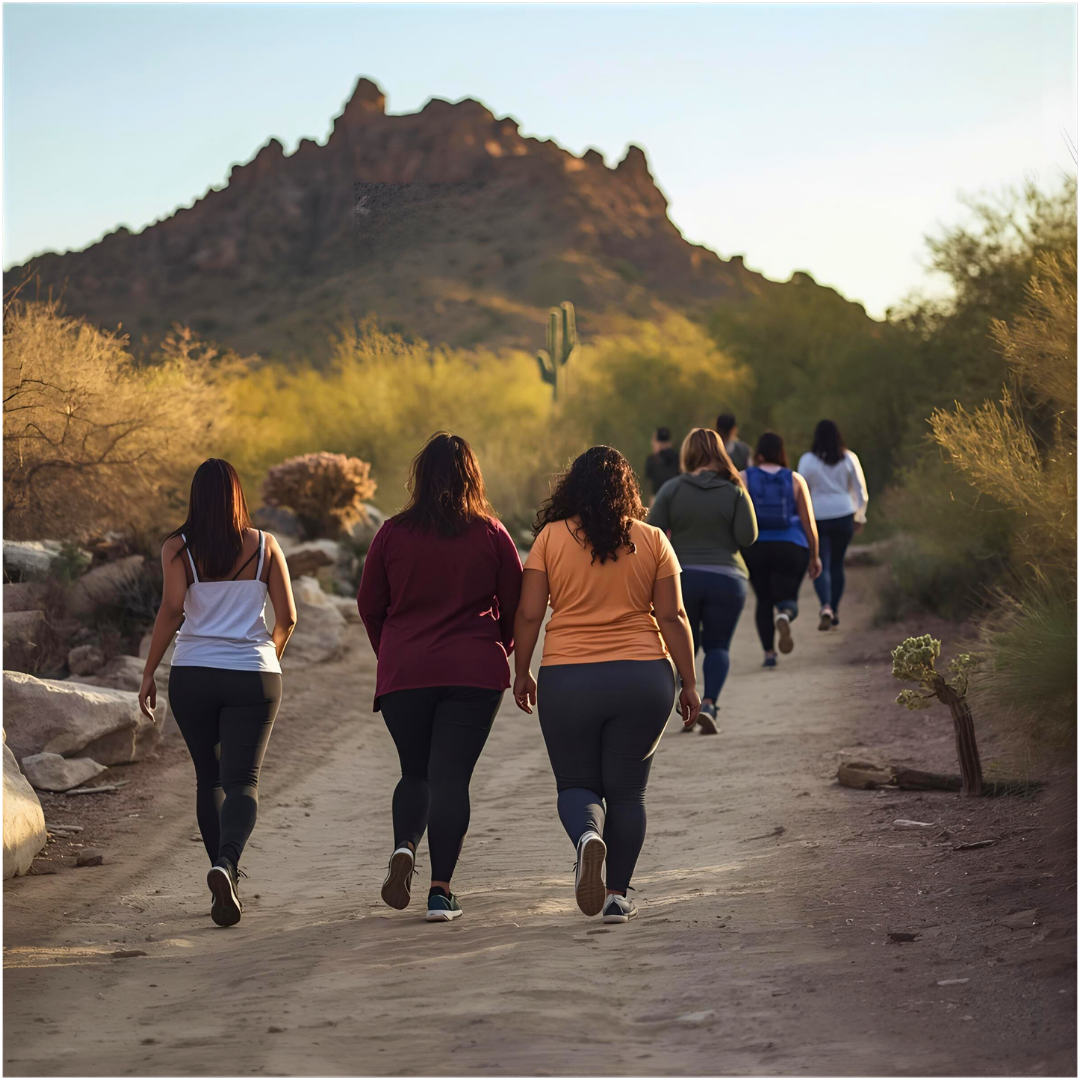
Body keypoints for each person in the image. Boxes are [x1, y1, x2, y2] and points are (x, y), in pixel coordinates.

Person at [512, 446, 700, 925]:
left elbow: (530, 612)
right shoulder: (653, 538)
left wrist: (521, 670)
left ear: (573, 486)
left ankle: (586, 839)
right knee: (628, 792)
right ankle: (616, 896)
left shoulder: (551, 538)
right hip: (642, 678)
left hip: (569, 678)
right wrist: (690, 682)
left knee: (576, 783)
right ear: (627, 488)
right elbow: (673, 615)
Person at [357, 433, 523, 923]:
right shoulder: (491, 533)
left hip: (406, 670)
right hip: (473, 671)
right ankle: (440, 891)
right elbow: (517, 606)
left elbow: (370, 606)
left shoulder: (390, 533)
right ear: (472, 475)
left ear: (420, 478)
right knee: (452, 779)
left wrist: (392, 652)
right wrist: (501, 649)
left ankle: (405, 845)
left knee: (415, 772)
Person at [138, 459, 297, 927]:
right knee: (242, 781)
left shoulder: (177, 547)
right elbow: (286, 617)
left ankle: (221, 879)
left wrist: (148, 672)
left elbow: (171, 611)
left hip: (193, 675)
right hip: (253, 674)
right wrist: (270, 655)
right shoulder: (267, 546)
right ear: (236, 495)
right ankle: (226, 864)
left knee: (209, 779)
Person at [647, 428, 758, 734]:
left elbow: (650, 533)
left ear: (687, 454)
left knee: (682, 643)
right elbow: (748, 538)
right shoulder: (735, 491)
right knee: (718, 645)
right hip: (728, 578)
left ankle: (687, 702)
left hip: (683, 579)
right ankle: (709, 703)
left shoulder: (671, 489)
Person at [740, 433, 822, 667]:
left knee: (763, 599)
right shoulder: (795, 479)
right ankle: (785, 614)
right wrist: (814, 556)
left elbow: (734, 516)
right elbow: (809, 523)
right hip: (791, 546)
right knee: (787, 597)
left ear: (759, 453)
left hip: (755, 547)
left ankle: (769, 654)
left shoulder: (744, 477)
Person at [797, 420, 869, 630]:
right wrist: (860, 516)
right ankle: (834, 610)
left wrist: (801, 518)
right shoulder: (849, 458)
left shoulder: (807, 460)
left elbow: (802, 489)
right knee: (837, 564)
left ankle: (825, 606)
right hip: (844, 515)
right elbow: (861, 491)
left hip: (817, 516)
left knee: (821, 562)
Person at [643, 427, 681, 506]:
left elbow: (649, 479)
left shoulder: (652, 459)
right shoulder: (679, 458)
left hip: (657, 499)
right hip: (676, 498)